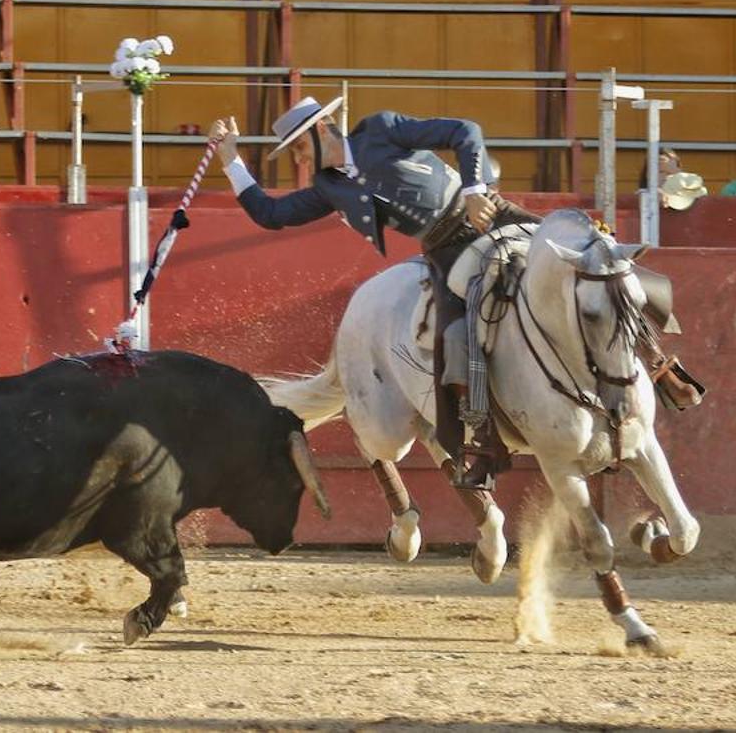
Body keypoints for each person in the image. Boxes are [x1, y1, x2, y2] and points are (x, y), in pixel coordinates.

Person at [211, 97, 702, 491]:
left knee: (605, 266)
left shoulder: (379, 130)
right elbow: (270, 215)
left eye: (298, 149)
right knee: (452, 335)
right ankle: (482, 438)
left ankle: (662, 369)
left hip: (491, 211)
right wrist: (231, 160)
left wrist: (472, 188)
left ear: (320, 132)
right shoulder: (328, 187)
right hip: (445, 249)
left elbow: (463, 130)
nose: (298, 161)